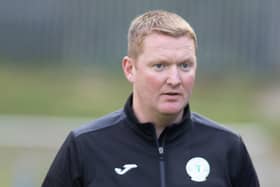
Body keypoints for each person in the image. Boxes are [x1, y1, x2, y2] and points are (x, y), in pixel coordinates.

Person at [42, 10, 259, 187]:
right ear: (130, 69)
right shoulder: (86, 146)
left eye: (185, 65)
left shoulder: (227, 147)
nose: (174, 79)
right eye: (160, 66)